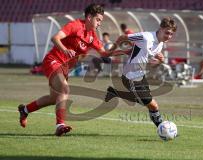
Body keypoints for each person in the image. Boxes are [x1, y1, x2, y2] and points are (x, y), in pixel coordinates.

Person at [18, 4, 115, 136]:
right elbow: (55, 38)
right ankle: (60, 125)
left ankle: (25, 110)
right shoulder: (75, 25)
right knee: (65, 89)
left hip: (64, 68)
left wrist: (124, 51)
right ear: (89, 17)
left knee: (54, 98)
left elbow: (104, 53)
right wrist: (65, 49)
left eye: (101, 21)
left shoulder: (92, 36)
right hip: (53, 60)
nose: (99, 23)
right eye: (98, 19)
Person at [105, 17, 177, 128]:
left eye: (171, 34)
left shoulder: (160, 44)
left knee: (152, 105)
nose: (169, 36)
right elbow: (123, 37)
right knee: (150, 103)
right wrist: (111, 50)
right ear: (161, 28)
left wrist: (160, 61)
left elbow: (151, 66)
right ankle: (162, 128)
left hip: (140, 75)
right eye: (167, 32)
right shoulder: (145, 37)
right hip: (130, 76)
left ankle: (114, 93)